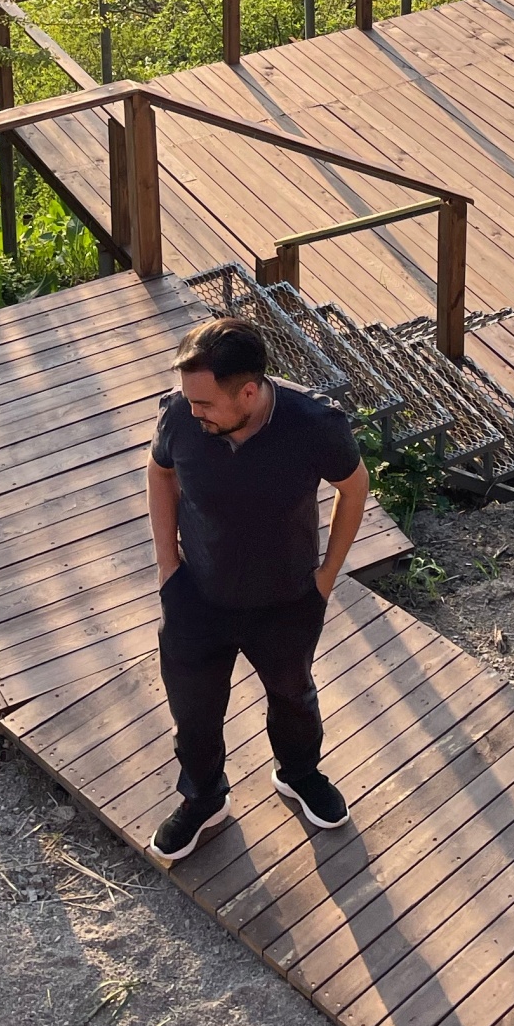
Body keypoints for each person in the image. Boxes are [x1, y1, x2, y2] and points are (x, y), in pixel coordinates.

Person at [146, 315, 370, 862]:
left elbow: (354, 487)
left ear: (248, 391)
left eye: (205, 404)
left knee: (293, 696)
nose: (192, 413)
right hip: (196, 595)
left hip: (288, 598)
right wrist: (167, 568)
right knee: (194, 711)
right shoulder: (182, 414)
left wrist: (325, 577)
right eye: (188, 401)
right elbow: (159, 471)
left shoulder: (314, 424)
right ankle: (203, 800)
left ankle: (299, 774)